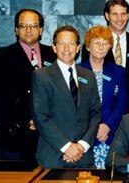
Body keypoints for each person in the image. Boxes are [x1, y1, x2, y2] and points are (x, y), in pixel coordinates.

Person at [31, 25, 101, 168]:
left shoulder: (88, 76)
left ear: (78, 48)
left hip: (84, 156)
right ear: (54, 47)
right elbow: (41, 116)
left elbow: (95, 113)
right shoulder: (41, 76)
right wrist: (67, 147)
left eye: (71, 44)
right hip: (54, 156)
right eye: (62, 44)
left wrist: (82, 145)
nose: (66, 48)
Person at [0, 8, 57, 160]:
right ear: (16, 30)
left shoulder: (53, 55)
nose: (28, 30)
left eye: (33, 26)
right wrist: (29, 119)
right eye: (23, 26)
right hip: (14, 136)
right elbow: (0, 95)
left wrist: (43, 120)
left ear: (40, 30)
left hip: (48, 137)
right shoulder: (2, 57)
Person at [79, 25, 128, 168]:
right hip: (84, 136)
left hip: (111, 134)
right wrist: (93, 129)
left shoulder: (118, 72)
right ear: (87, 46)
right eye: (97, 43)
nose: (101, 47)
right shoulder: (77, 71)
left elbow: (122, 103)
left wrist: (107, 125)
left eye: (105, 43)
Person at [81, 0, 129, 75]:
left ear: (128, 16)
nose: (119, 19)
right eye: (115, 14)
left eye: (123, 14)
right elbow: (86, 74)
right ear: (107, 16)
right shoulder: (91, 43)